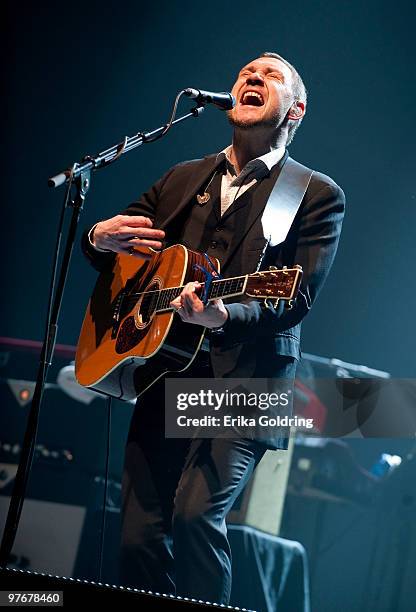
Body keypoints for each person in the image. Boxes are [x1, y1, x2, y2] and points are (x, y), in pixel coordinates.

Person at [81, 51, 345, 604]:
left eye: (270, 76)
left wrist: (224, 313)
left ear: (295, 110)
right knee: (135, 540)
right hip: (162, 376)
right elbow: (121, 251)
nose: (252, 77)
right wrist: (97, 240)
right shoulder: (183, 178)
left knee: (196, 519)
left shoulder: (313, 194)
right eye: (246, 72)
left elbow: (294, 294)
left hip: (245, 386)